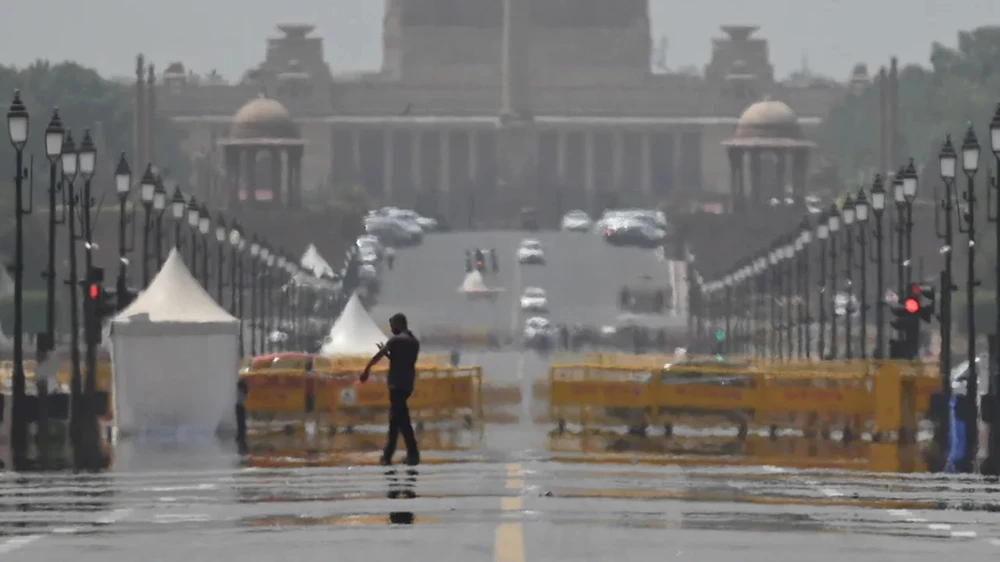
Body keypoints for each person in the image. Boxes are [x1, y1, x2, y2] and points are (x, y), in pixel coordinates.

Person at [361, 313, 421, 466]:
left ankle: (411, 454)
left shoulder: (396, 340)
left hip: (396, 385)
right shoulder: (414, 342)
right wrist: (389, 354)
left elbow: (378, 356)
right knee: (396, 419)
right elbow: (402, 361)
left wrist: (367, 369)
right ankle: (388, 455)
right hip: (407, 384)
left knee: (402, 420)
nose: (392, 329)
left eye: (393, 325)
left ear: (400, 324)